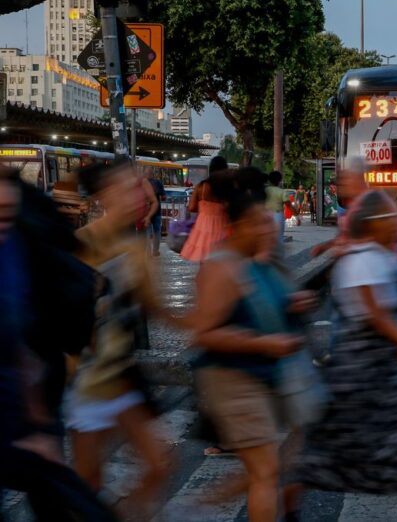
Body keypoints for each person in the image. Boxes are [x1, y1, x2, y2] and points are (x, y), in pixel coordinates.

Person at [287, 189, 397, 522]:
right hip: (358, 374)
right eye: (392, 217)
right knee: (331, 449)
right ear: (374, 223)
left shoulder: (378, 256)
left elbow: (389, 319)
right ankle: (289, 502)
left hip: (381, 370)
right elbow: (378, 319)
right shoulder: (360, 260)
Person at [189, 167, 313, 522]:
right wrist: (263, 343)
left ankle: (211, 498)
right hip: (233, 380)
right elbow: (204, 333)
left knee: (270, 464)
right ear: (240, 226)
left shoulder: (255, 261)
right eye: (259, 223)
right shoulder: (220, 267)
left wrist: (292, 304)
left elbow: (264, 306)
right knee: (265, 472)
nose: (268, 228)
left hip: (263, 375)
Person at [0, 168, 118, 522]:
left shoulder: (13, 249)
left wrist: (38, 421)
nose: (5, 226)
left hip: (20, 404)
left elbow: (19, 343)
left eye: (9, 215)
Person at [68, 159, 180, 515]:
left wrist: (204, 321)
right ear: (103, 196)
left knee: (159, 464)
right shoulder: (80, 246)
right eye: (128, 189)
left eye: (139, 188)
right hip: (85, 382)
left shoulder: (135, 249)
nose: (140, 197)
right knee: (88, 482)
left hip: (122, 377)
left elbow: (154, 307)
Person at [181, 156, 230, 262]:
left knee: (203, 257)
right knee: (221, 260)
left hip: (203, 226)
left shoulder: (201, 186)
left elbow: (192, 207)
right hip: (223, 226)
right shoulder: (228, 187)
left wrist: (204, 209)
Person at [143, 167, 166, 256]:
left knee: (147, 233)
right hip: (156, 211)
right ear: (152, 174)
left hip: (146, 212)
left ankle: (148, 251)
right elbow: (164, 197)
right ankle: (155, 251)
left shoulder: (142, 183)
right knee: (157, 232)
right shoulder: (158, 183)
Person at [265, 170, 286, 241]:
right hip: (278, 215)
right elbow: (288, 204)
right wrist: (296, 215)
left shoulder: (264, 191)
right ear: (280, 180)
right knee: (278, 238)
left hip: (265, 215)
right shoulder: (282, 191)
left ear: (269, 180)